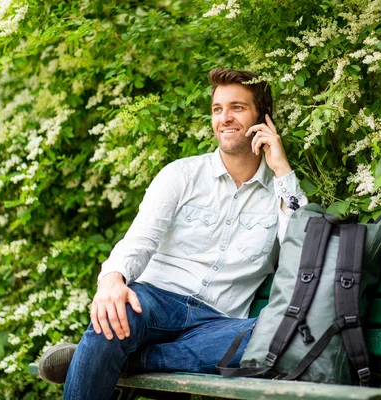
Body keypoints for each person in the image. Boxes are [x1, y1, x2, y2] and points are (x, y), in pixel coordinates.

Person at [39, 68, 308, 399]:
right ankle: (112, 353)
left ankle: (131, 360)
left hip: (217, 323)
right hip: (156, 300)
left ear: (263, 119)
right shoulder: (181, 175)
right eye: (217, 109)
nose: (225, 118)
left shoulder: (280, 192)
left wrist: (282, 169)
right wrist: (112, 279)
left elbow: (301, 250)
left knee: (283, 332)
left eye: (237, 108)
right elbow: (140, 239)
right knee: (115, 314)